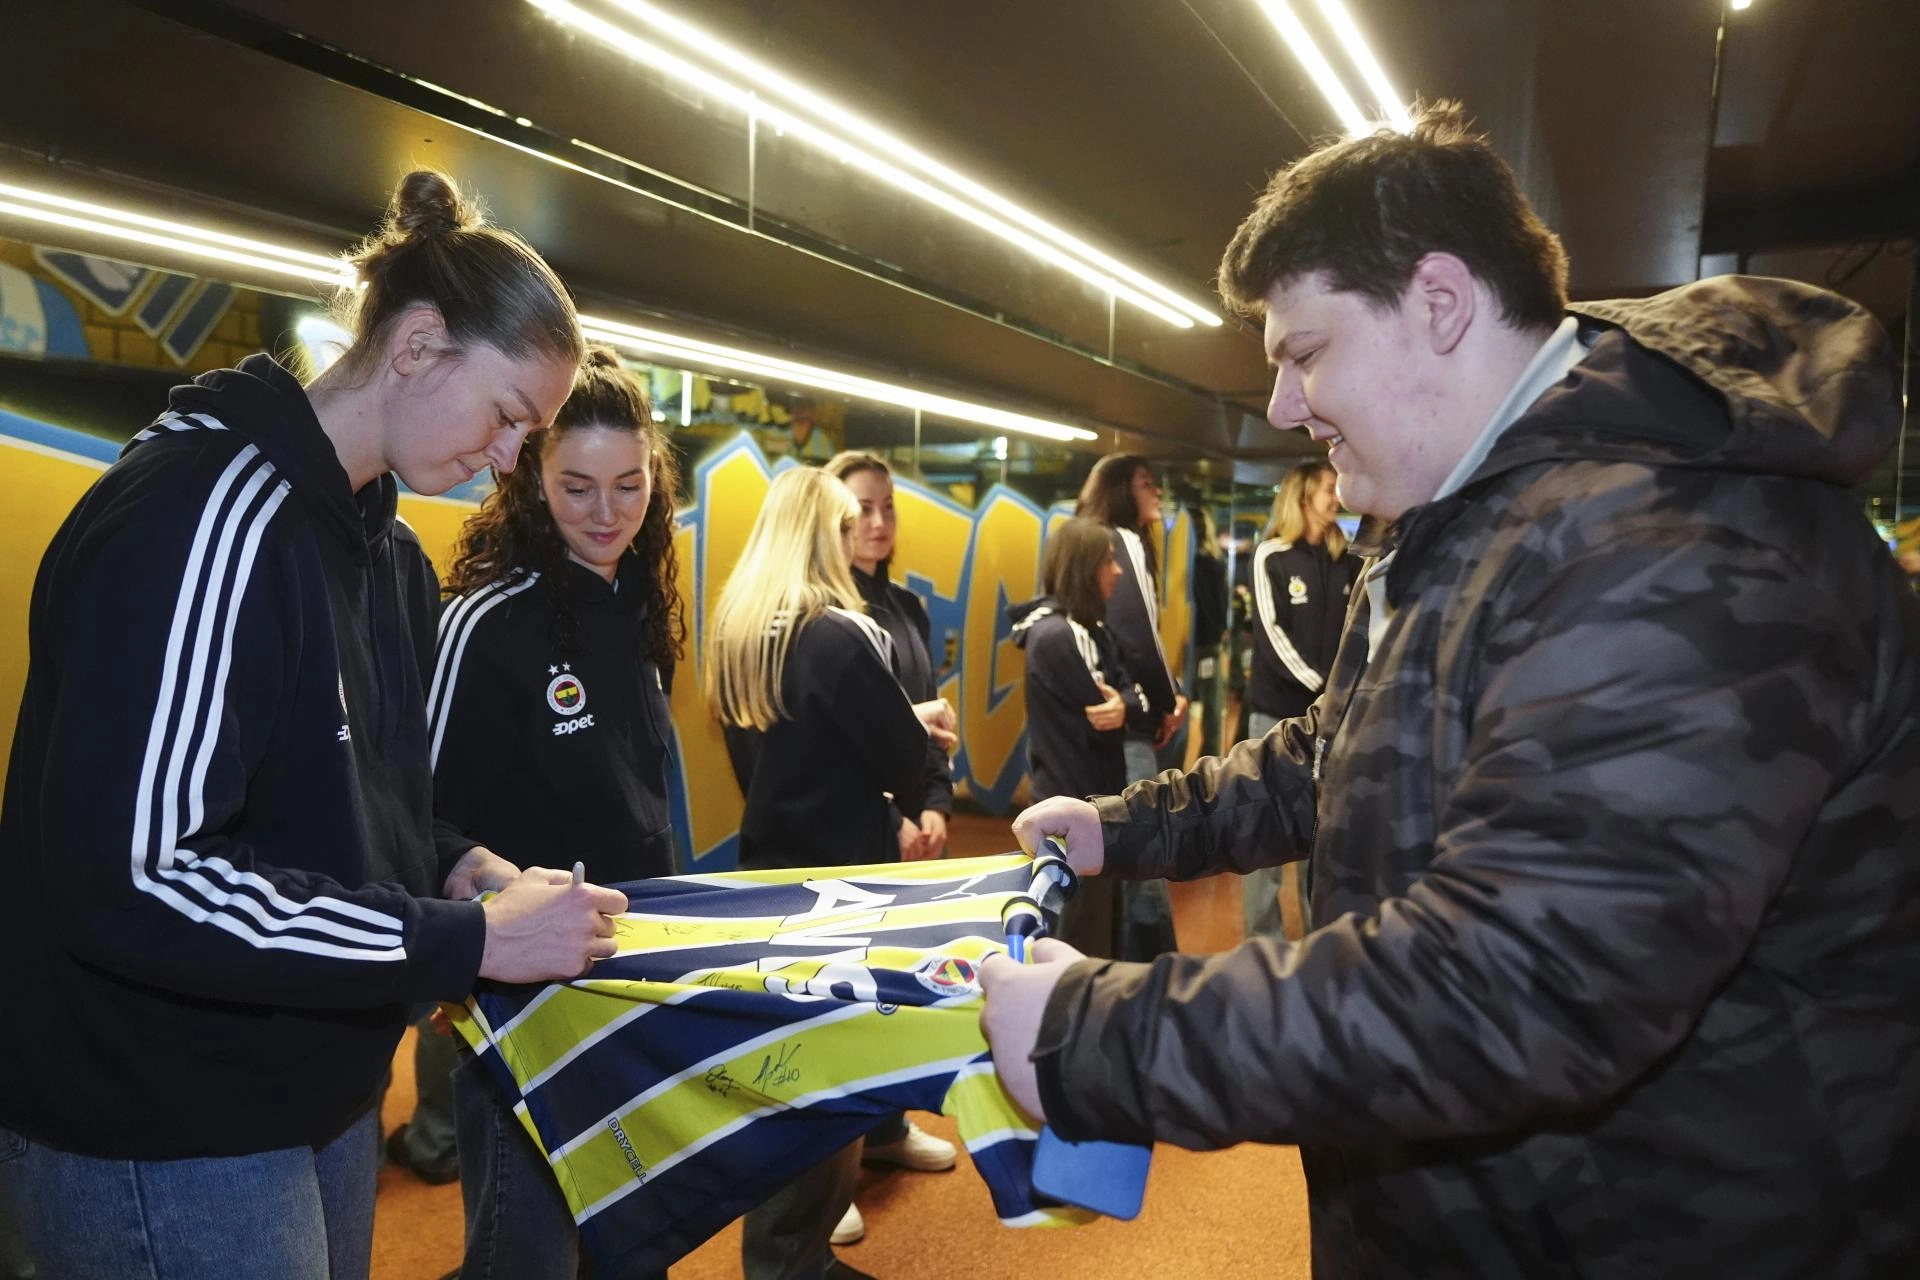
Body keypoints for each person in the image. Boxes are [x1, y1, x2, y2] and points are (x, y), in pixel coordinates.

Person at [980, 101, 1920, 1278]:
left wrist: (1097, 1036)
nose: (1282, 407)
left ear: (1438, 302)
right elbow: (1339, 746)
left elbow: (1523, 981)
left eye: (1305, 353)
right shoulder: (1480, 515)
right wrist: (1124, 824)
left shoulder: (1673, 541)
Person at [0, 170, 628, 1280]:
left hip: (320, 1085)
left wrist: (454, 866)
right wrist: (466, 942)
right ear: (418, 344)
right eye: (507, 417)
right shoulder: (203, 516)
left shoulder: (390, 557)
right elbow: (140, 876)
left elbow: (341, 808)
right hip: (165, 1117)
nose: (508, 460)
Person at [427, 346, 686, 1279]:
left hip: (636, 976)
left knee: (637, 1247)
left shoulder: (641, 599)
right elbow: (414, 819)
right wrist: (486, 903)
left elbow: (639, 802)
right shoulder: (487, 622)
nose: (607, 513)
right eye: (577, 488)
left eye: (629, 485)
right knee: (528, 1258)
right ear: (531, 480)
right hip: (526, 1000)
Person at [707, 465, 954, 1280]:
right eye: (848, 523)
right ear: (822, 532)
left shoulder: (744, 630)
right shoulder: (837, 634)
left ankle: (794, 1253)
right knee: (831, 1069)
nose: (860, 536)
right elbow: (901, 759)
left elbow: (797, 742)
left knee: (792, 1071)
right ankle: (794, 1258)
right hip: (844, 883)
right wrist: (919, 730)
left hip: (774, 872)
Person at [818, 451, 959, 1246]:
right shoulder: (823, 613)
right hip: (853, 837)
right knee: (835, 1001)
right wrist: (890, 817)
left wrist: (934, 804)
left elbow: (927, 720)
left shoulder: (904, 608)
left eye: (887, 507)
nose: (876, 522)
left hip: (908, 831)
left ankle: (885, 1128)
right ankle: (822, 1174)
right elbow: (836, 741)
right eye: (860, 509)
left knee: (892, 986)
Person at [1008, 515, 1152, 956]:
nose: (1118, 571)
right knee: (1077, 948)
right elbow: (1118, 708)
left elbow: (1133, 693)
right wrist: (1132, 705)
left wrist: (1129, 703)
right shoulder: (1063, 635)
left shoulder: (1092, 631)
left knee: (1089, 936)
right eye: (1108, 561)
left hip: (1079, 806)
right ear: (1084, 568)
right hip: (1077, 811)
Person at [1241, 460, 1357, 937]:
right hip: (1275, 717)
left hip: (1329, 725)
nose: (1337, 496)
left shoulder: (1350, 560)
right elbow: (1271, 636)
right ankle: (1262, 947)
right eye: (1329, 487)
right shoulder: (1272, 555)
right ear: (1304, 495)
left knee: (1319, 840)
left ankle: (1317, 947)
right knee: (1264, 840)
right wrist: (1328, 689)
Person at [1073, 454, 1182, 958]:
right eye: (1145, 482)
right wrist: (1166, 702)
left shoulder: (1084, 538)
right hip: (1130, 727)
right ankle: (1154, 976)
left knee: (1103, 857)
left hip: (1088, 730)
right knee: (1144, 853)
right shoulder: (1125, 540)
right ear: (1120, 490)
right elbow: (1141, 636)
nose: (1155, 491)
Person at [1186, 505, 1230, 758]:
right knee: (1212, 706)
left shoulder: (1189, 564)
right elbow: (1221, 604)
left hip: (1189, 643)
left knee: (1187, 703)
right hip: (1210, 643)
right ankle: (1210, 759)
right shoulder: (1215, 562)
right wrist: (1220, 630)